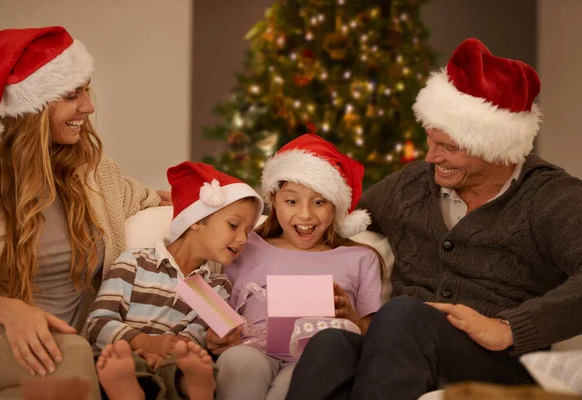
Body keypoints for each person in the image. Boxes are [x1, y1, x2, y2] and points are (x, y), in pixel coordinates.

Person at [285, 38, 582, 399]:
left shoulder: (552, 197)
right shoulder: (412, 185)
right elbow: (338, 217)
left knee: (401, 315)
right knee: (329, 344)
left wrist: (509, 327)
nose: (431, 156)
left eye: (448, 147)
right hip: (403, 352)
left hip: (501, 363)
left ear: (496, 147)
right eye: (430, 140)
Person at [0, 26, 169, 399]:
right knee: (74, 358)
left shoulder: (93, 174)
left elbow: (152, 198)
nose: (89, 106)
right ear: (30, 109)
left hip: (60, 356)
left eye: (87, 90)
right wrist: (8, 311)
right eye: (72, 95)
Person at [213, 134, 384, 400]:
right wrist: (218, 338)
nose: (305, 215)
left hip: (316, 360)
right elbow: (219, 311)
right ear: (274, 200)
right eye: (291, 201)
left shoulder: (361, 258)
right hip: (252, 350)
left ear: (336, 205)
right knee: (240, 362)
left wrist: (351, 317)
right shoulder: (245, 246)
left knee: (298, 380)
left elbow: (374, 341)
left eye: (319, 202)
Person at [86, 161, 264, 400]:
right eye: (234, 225)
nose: (242, 238)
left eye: (248, 231)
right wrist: (145, 342)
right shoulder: (133, 263)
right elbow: (97, 323)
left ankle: (195, 388)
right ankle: (130, 389)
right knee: (126, 364)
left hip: (172, 363)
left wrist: (215, 339)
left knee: (187, 365)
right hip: (126, 357)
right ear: (196, 220)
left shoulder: (218, 287)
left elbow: (194, 337)